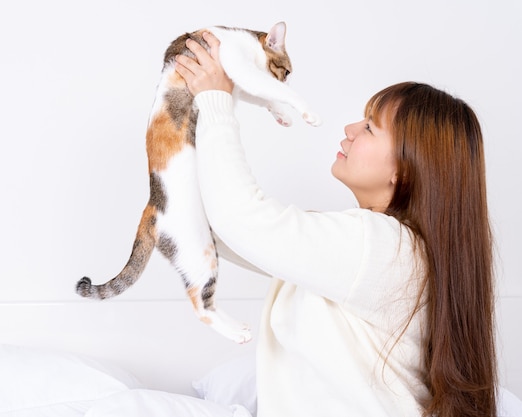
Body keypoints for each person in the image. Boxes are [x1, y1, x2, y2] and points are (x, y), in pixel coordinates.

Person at [174, 32, 497, 417]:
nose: (350, 129)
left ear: (405, 170)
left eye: (370, 128)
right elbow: (228, 232)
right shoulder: (375, 248)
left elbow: (244, 222)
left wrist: (216, 100)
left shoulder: (381, 248)